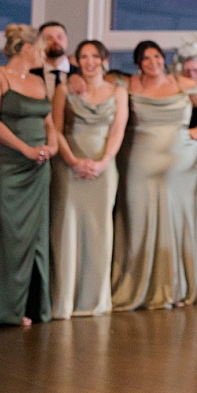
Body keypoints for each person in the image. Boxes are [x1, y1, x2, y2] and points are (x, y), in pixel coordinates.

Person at [113, 41, 197, 311]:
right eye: (146, 58)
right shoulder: (128, 85)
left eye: (157, 56)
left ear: (164, 59)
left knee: (175, 219)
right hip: (139, 158)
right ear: (138, 63)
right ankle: (136, 284)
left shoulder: (181, 82)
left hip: (178, 161)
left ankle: (175, 287)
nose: (153, 62)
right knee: (137, 219)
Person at [0, 24, 59, 329]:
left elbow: (49, 123)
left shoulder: (39, 81)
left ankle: (20, 306)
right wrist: (25, 149)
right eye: (41, 47)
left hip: (37, 169)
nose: (44, 54)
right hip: (4, 165)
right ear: (26, 48)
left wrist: (52, 146)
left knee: (29, 239)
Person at [49, 40, 128, 319]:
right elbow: (55, 130)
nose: (89, 61)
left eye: (95, 56)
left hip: (103, 166)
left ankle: (94, 299)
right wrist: (72, 161)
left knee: (99, 231)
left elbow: (118, 131)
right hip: (69, 164)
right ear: (77, 61)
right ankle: (63, 300)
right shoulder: (64, 89)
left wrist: (104, 161)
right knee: (66, 228)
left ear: (104, 59)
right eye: (84, 56)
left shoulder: (118, 92)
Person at [35, 20, 72, 96]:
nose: (56, 41)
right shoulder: (32, 74)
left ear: (67, 40)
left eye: (60, 37)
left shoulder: (79, 73)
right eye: (49, 38)